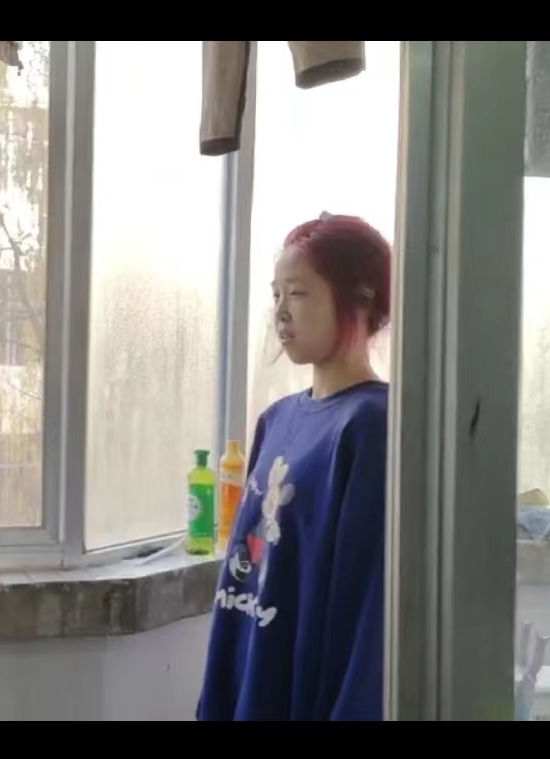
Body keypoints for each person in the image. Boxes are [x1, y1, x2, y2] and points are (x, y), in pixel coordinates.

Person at [196, 212, 391, 721]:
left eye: (298, 293)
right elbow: (245, 575)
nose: (281, 311)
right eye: (276, 294)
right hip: (248, 684)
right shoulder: (276, 420)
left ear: (360, 298)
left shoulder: (374, 426)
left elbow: (369, 612)